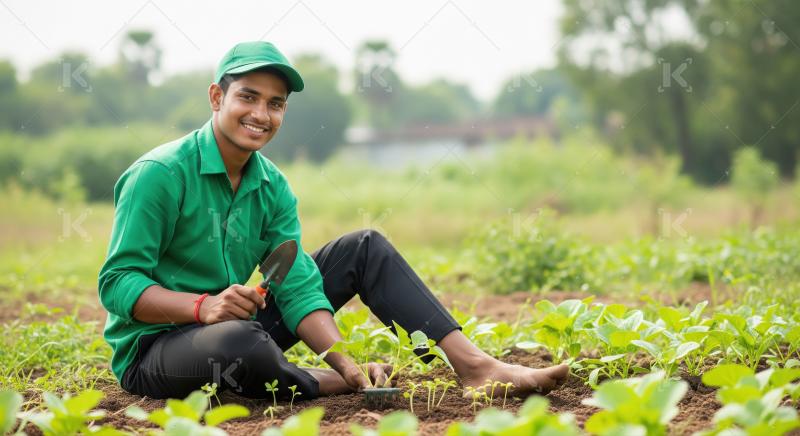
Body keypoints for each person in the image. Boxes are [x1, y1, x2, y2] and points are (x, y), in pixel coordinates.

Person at [98, 41, 569, 401]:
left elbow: (293, 280)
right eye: (248, 97)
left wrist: (343, 357)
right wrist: (203, 308)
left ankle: (473, 366)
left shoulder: (272, 187)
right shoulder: (159, 176)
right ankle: (322, 384)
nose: (261, 114)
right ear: (217, 96)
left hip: (233, 324)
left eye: (276, 103)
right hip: (157, 348)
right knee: (242, 341)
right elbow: (118, 285)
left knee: (364, 246)